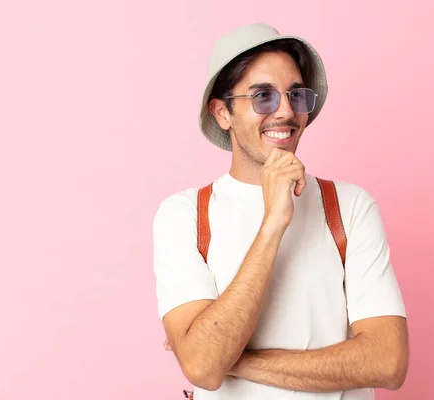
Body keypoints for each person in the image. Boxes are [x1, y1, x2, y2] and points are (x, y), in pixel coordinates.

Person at [152, 23, 409, 399]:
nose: (286, 111)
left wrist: (235, 361)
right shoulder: (185, 216)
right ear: (223, 112)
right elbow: (205, 370)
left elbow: (388, 362)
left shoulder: (350, 207)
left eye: (295, 95)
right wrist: (273, 221)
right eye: (263, 96)